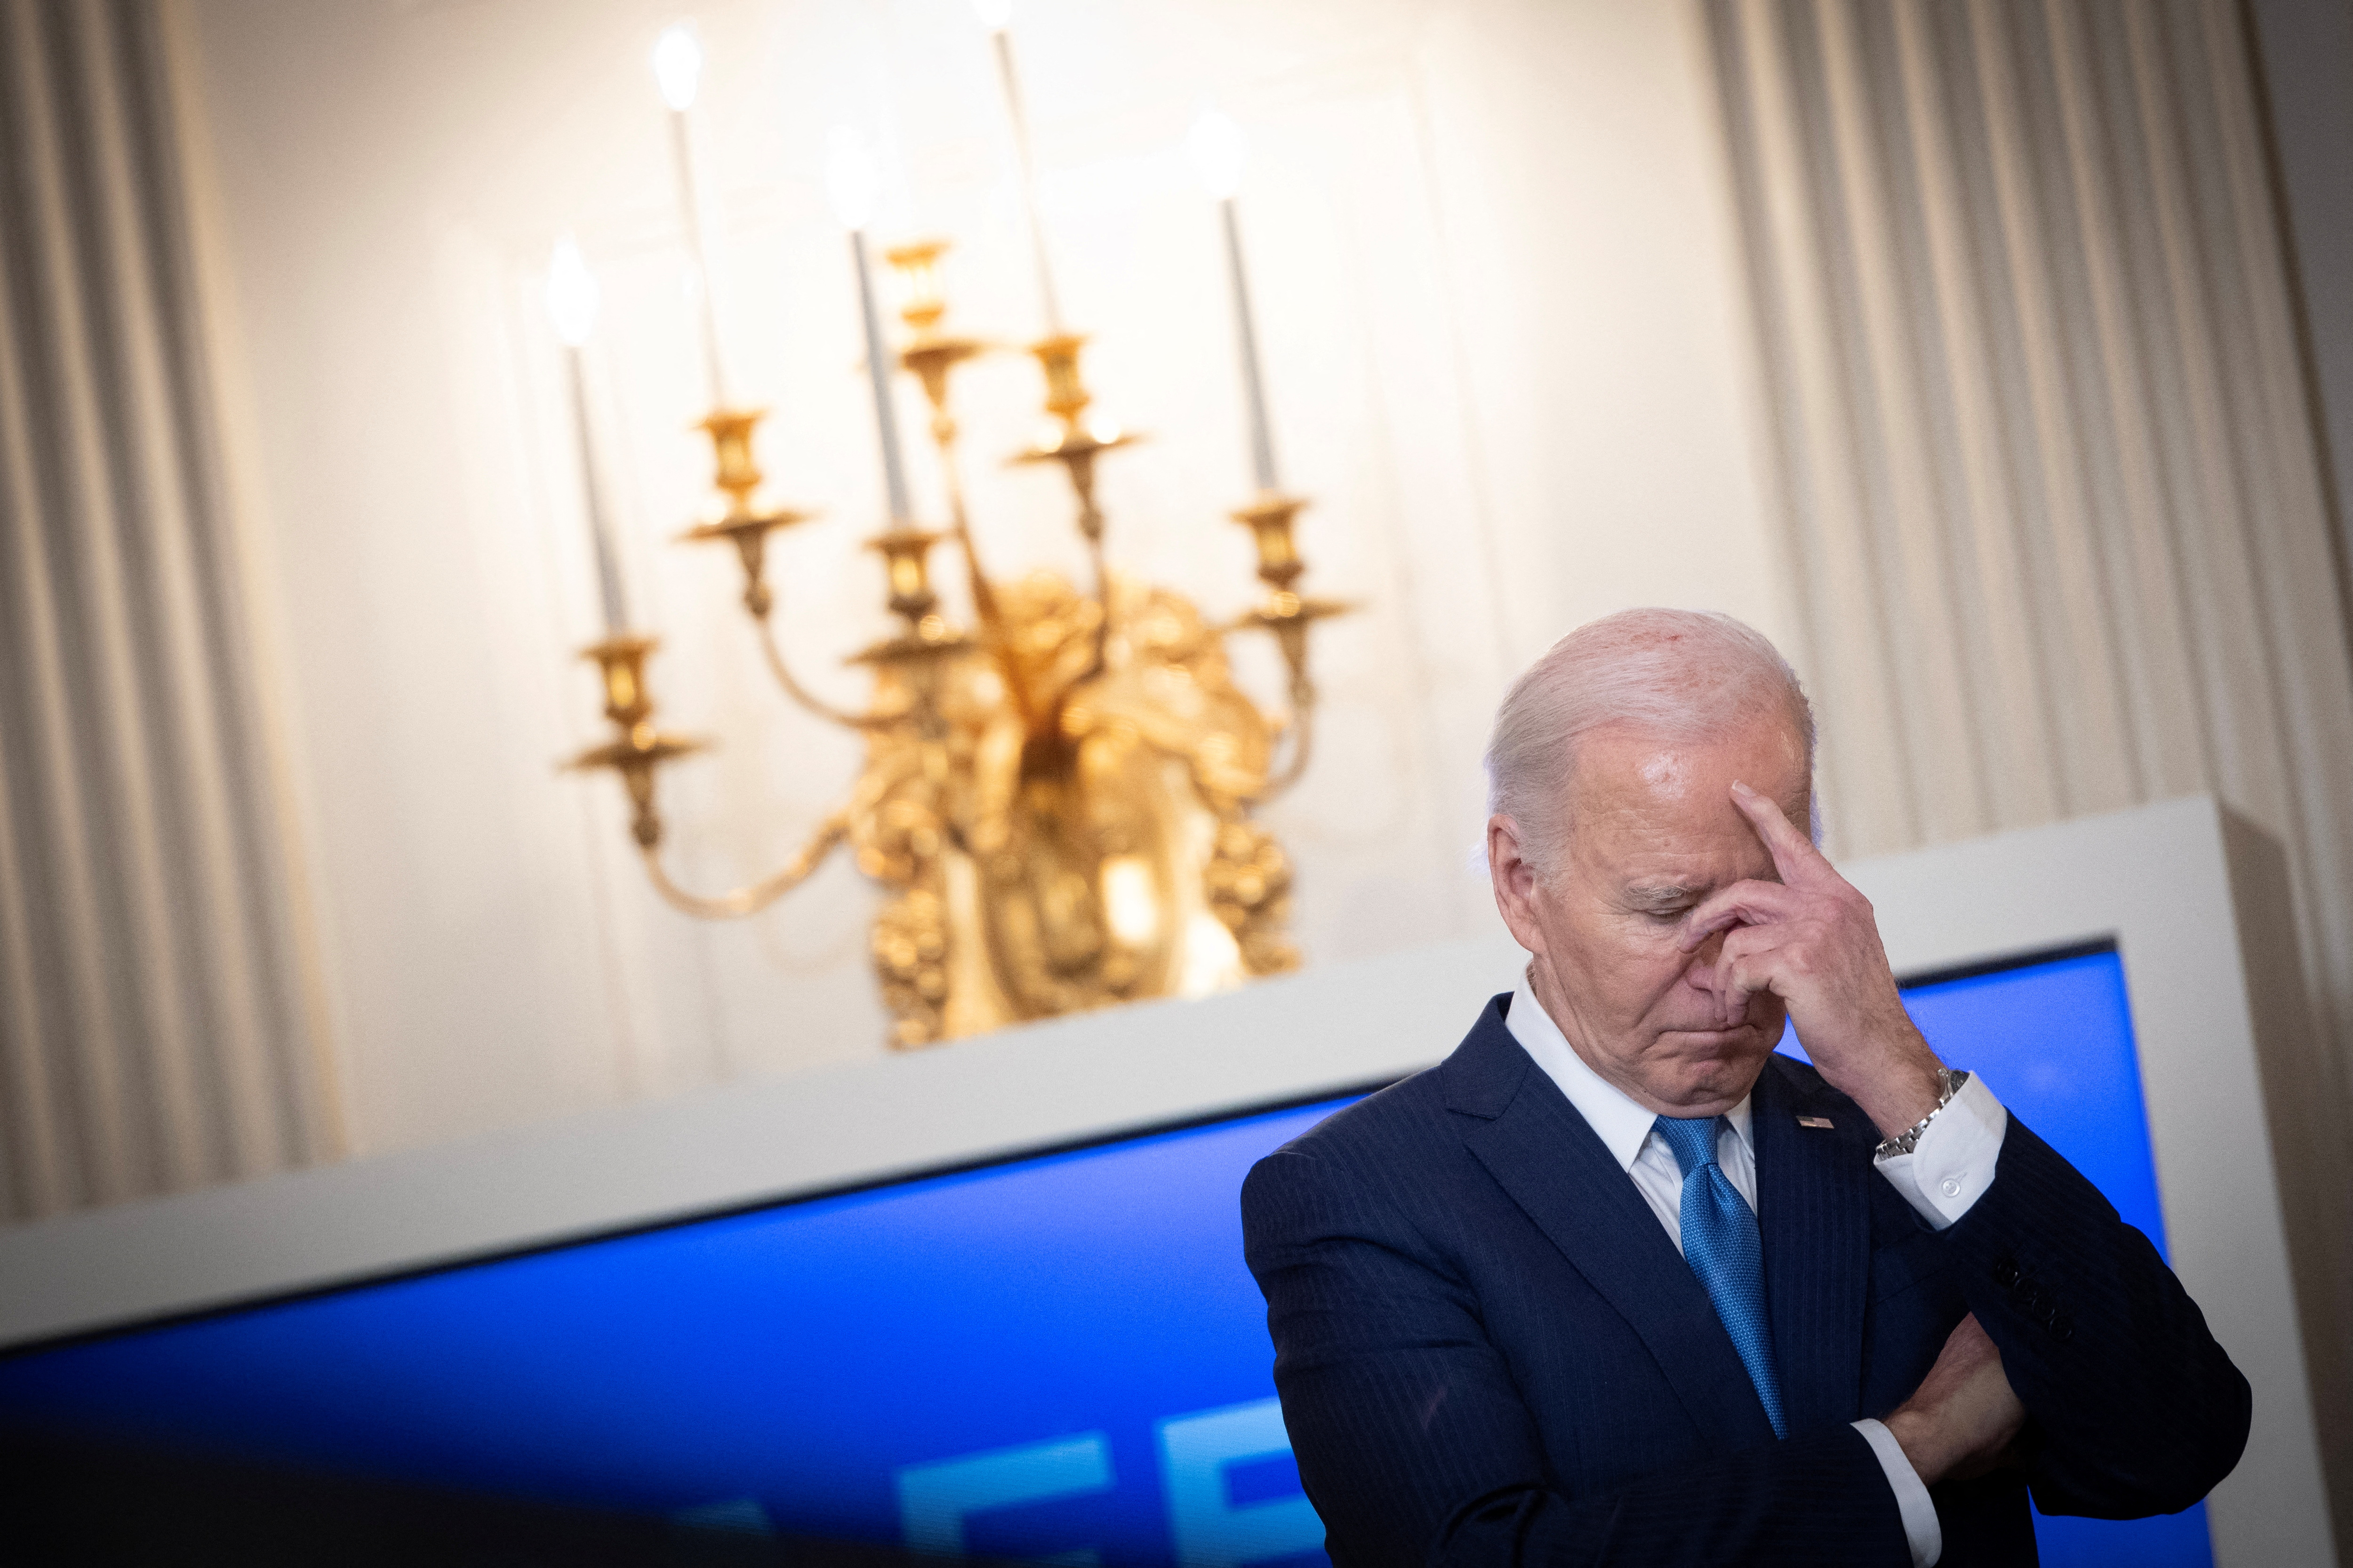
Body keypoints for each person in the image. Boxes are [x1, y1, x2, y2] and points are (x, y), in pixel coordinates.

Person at [1241, 609, 2249, 1567]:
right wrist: (1912, 1449)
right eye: (1666, 907)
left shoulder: (1894, 1131)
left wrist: (1895, 1065)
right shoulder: (1362, 1196)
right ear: (1518, 880)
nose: (1732, 970)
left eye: (1763, 898)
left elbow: (2171, 1442)